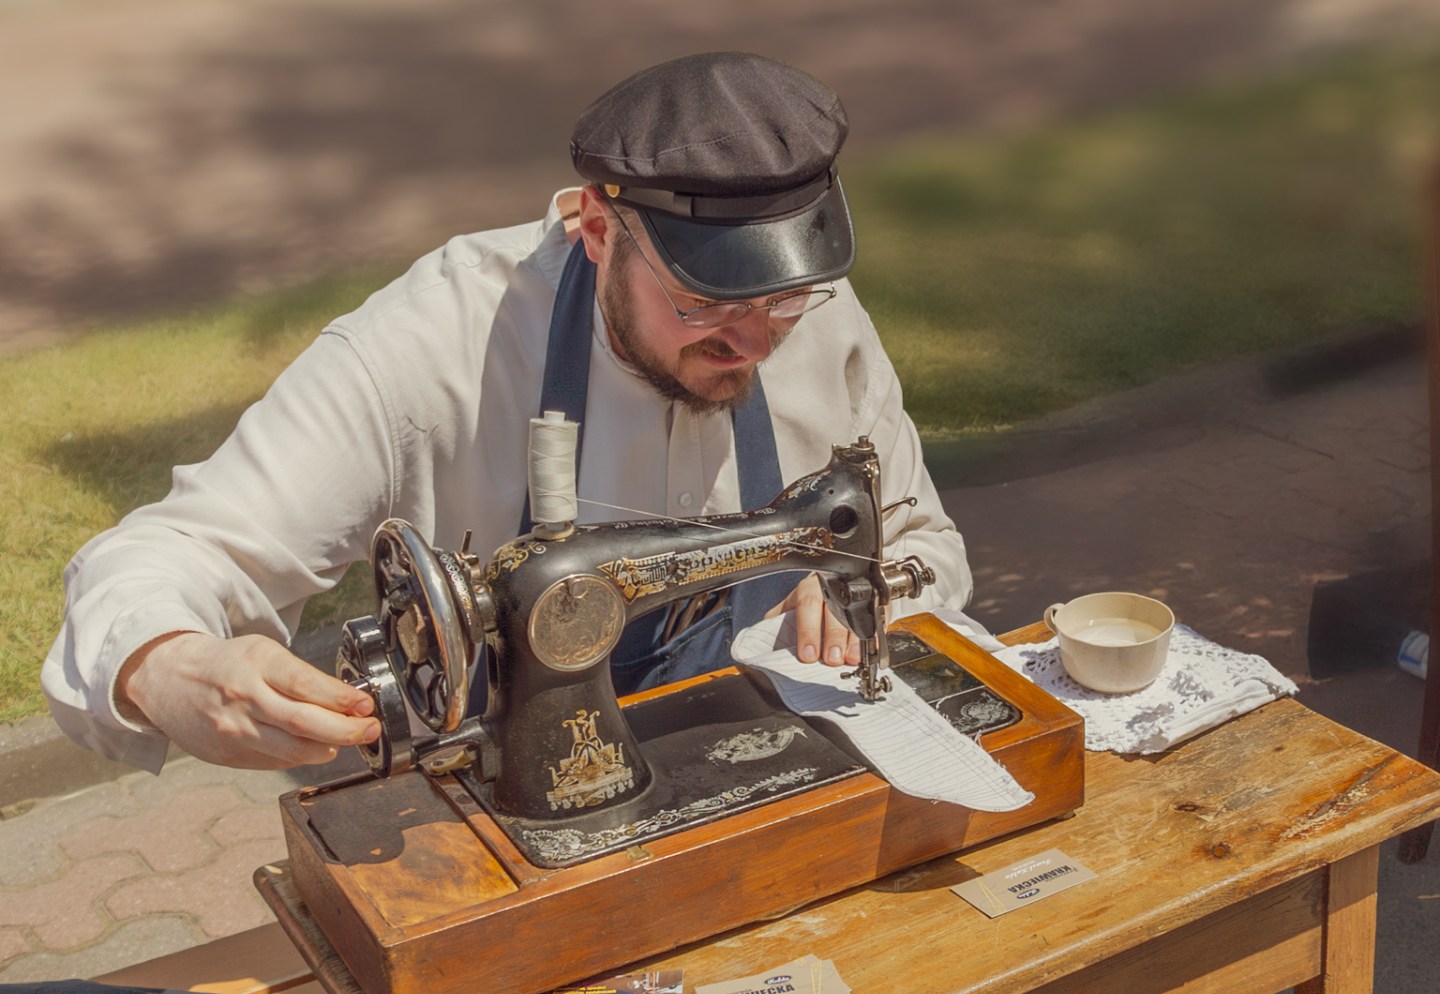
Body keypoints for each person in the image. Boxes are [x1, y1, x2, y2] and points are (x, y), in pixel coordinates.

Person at [42, 51, 973, 774]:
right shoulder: (428, 348)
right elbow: (169, 555)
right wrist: (165, 663)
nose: (757, 343)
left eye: (782, 301)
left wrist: (872, 594)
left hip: (764, 747)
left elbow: (923, 542)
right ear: (598, 230)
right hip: (508, 785)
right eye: (705, 303)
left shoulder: (814, 310)